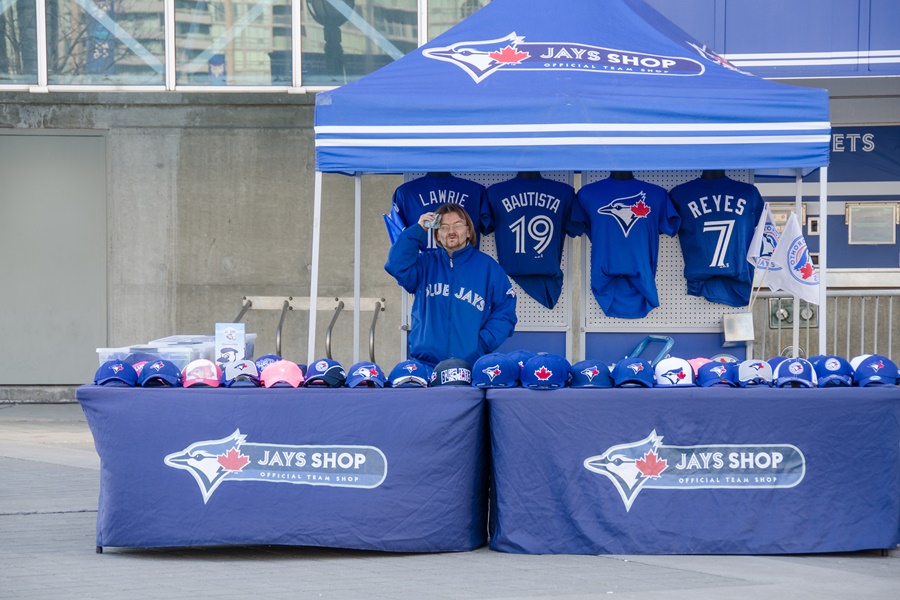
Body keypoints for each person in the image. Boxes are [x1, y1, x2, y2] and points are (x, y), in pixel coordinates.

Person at [385, 203, 517, 367]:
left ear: (468, 231)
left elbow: (505, 313)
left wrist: (481, 345)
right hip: (425, 365)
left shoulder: (489, 268)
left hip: (468, 366)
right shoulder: (425, 264)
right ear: (437, 235)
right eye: (444, 227)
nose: (451, 231)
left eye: (458, 225)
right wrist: (419, 229)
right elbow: (395, 265)